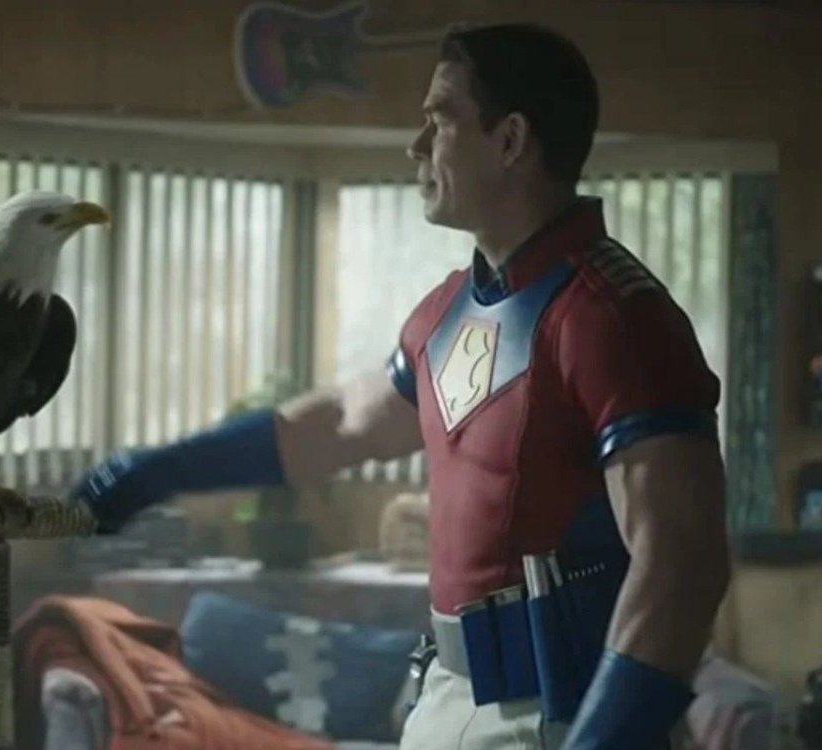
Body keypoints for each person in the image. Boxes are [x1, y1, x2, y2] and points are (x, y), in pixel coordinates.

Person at [71, 22, 730, 750]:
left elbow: (683, 565)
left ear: (510, 140)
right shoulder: (446, 312)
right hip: (449, 695)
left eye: (439, 120)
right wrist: (151, 473)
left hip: (562, 711)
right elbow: (342, 424)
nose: (416, 146)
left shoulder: (615, 317)